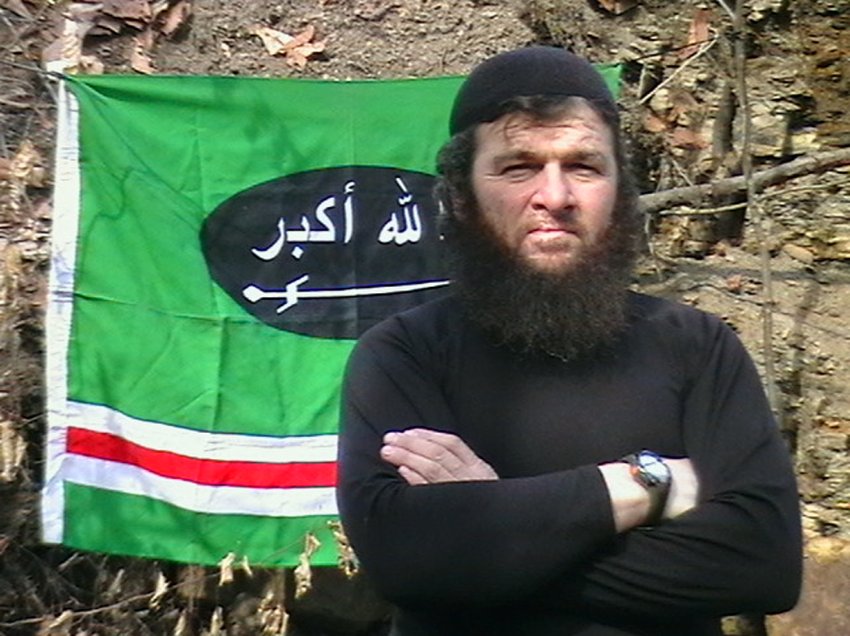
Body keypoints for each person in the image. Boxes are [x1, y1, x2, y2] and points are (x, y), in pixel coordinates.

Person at [336, 46, 802, 636]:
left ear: (620, 190)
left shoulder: (696, 345)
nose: (555, 197)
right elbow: (405, 558)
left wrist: (495, 531)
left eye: (583, 167)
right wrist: (644, 485)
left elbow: (763, 564)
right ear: (459, 196)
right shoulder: (404, 354)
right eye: (518, 168)